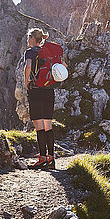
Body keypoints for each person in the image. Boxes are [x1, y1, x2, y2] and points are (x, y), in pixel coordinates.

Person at [23, 27, 65, 169]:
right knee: (48, 125)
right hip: (49, 90)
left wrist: (26, 81)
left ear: (33, 39)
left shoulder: (30, 52)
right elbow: (64, 66)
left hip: (36, 91)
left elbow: (28, 66)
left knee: (39, 126)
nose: (27, 40)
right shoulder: (48, 51)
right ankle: (51, 158)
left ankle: (42, 158)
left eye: (29, 38)